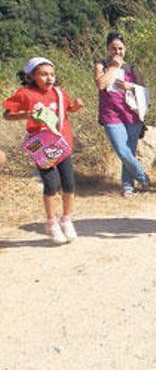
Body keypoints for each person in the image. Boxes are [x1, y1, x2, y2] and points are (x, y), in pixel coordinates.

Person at [4, 57, 84, 244]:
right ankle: (51, 222)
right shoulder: (25, 94)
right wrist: (26, 114)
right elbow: (7, 114)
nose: (49, 78)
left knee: (69, 183)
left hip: (62, 143)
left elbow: (68, 109)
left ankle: (66, 219)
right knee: (51, 183)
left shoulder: (58, 92)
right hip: (41, 145)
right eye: (44, 74)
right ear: (32, 76)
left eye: (52, 74)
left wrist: (76, 107)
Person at [94, 32, 149, 198]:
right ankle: (142, 177)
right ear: (107, 49)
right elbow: (101, 84)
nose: (117, 52)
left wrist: (129, 85)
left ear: (125, 49)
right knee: (121, 149)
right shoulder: (101, 65)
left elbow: (143, 89)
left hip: (132, 114)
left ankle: (127, 186)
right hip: (111, 114)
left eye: (120, 48)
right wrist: (113, 67)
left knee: (129, 152)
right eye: (113, 48)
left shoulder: (132, 68)